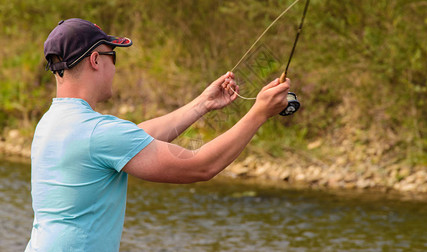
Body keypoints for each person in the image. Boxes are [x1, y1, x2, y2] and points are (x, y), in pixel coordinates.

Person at [25, 18, 290, 251]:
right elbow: (200, 166)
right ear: (95, 60)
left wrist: (202, 104)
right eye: (112, 56)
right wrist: (259, 113)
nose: (115, 67)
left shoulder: (51, 123)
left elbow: (135, 137)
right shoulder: (97, 133)